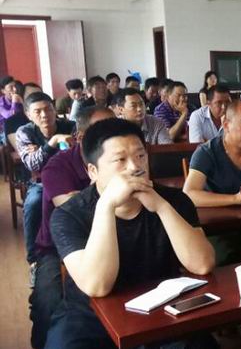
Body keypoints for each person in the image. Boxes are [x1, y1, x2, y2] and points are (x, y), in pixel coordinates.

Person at [45, 118, 216, 349]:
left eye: (140, 156)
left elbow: (203, 264)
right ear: (93, 171)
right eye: (120, 160)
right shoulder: (69, 215)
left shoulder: (174, 200)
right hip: (91, 319)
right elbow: (97, 286)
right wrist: (106, 206)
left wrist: (161, 206)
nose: (135, 167)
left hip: (161, 310)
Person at [32, 106, 114, 349]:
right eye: (104, 131)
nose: (114, 136)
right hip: (57, 249)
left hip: (112, 240)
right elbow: (70, 207)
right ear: (81, 137)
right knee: (48, 300)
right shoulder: (57, 166)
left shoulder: (119, 160)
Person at [184, 100, 241, 264]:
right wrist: (236, 198)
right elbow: (189, 193)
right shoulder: (207, 152)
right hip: (221, 226)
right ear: (226, 125)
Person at [17, 92, 76, 266]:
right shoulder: (25, 132)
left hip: (68, 179)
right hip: (40, 183)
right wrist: (53, 142)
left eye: (48, 109)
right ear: (28, 114)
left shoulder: (71, 126)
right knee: (34, 203)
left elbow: (76, 157)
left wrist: (41, 151)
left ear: (54, 109)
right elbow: (33, 165)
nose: (44, 115)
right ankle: (34, 259)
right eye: (37, 111)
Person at [0, 76, 23, 143]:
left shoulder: (19, 97)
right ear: (3, 91)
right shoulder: (1, 103)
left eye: (15, 86)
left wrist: (22, 102)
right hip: (4, 133)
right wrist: (14, 102)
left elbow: (28, 114)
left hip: (21, 129)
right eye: (11, 87)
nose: (15, 89)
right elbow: (10, 117)